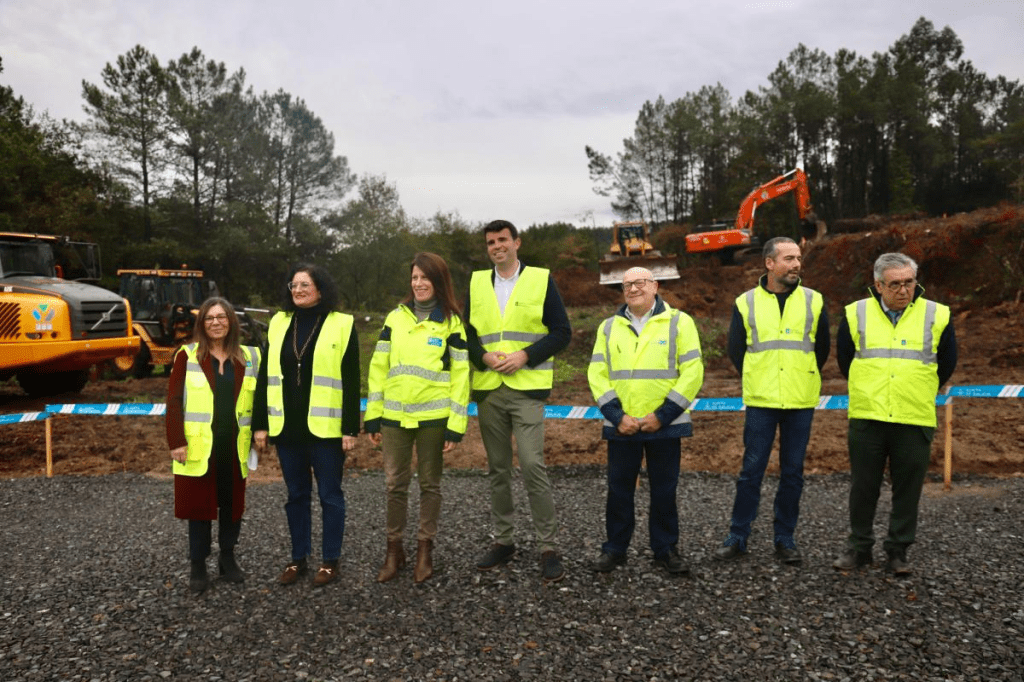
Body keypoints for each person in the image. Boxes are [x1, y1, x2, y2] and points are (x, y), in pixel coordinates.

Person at [832, 252, 957, 575]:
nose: (904, 290)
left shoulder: (937, 314)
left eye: (909, 283)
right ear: (878, 285)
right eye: (895, 284)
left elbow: (946, 364)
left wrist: (913, 387)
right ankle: (859, 548)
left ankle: (898, 551)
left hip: (913, 416)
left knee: (908, 488)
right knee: (863, 486)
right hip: (868, 415)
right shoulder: (856, 313)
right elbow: (846, 360)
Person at [464, 219, 572, 583]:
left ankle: (548, 546)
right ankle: (504, 541)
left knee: (531, 464)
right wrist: (484, 358)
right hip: (490, 390)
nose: (497, 246)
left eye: (503, 239)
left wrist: (526, 355)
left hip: (527, 389)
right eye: (491, 241)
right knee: (497, 469)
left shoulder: (541, 279)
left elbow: (561, 332)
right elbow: (466, 335)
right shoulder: (478, 282)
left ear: (517, 243)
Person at [713, 237, 830, 566]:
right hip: (761, 400)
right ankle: (738, 535)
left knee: (793, 473)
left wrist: (800, 375)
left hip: (800, 399)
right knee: (751, 471)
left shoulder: (814, 301)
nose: (796, 264)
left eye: (798, 258)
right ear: (769, 263)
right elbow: (737, 351)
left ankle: (785, 538)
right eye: (789, 258)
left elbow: (821, 350)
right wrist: (760, 377)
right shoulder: (746, 302)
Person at [587, 267, 704, 575]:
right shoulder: (608, 327)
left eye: (640, 282)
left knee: (665, 491)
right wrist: (616, 416)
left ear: (655, 286)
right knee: (618, 490)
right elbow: (597, 374)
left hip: (665, 426)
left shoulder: (679, 322)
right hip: (621, 426)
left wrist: (663, 416)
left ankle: (665, 550)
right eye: (626, 284)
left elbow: (693, 372)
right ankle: (615, 549)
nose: (633, 288)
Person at [364, 252, 470, 584]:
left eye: (425, 277)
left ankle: (425, 550)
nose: (419, 283)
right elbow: (378, 368)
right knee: (395, 485)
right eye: (414, 278)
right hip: (393, 418)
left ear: (438, 282)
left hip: (434, 419)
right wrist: (373, 415)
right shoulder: (394, 318)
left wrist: (456, 423)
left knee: (429, 485)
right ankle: (394, 550)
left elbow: (461, 376)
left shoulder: (452, 323)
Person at [252, 264, 360, 587]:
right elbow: (264, 377)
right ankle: (298, 558)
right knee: (296, 494)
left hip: (326, 430)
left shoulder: (342, 324)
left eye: (305, 284)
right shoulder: (278, 323)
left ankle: (330, 561)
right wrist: (261, 424)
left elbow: (352, 379)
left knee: (330, 495)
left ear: (321, 289)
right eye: (293, 284)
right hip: (286, 427)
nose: (297, 290)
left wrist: (349, 428)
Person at [166, 297, 262, 595]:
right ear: (202, 324)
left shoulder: (249, 357)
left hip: (234, 447)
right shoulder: (188, 355)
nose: (216, 322)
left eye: (222, 317)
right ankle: (198, 565)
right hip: (198, 448)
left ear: (231, 321)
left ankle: (227, 559)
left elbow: (260, 399)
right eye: (209, 318)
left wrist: (261, 429)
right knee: (199, 508)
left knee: (232, 507)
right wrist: (176, 441)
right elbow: (173, 401)